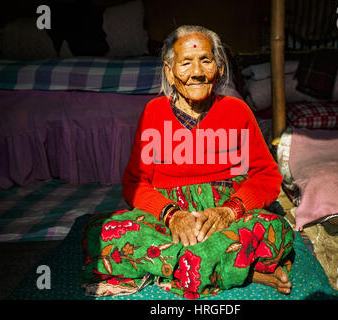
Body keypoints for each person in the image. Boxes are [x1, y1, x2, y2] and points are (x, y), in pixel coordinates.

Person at [81, 25, 294, 299]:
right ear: (169, 71)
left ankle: (185, 265)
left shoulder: (237, 110)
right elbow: (135, 183)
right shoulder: (153, 113)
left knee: (276, 229)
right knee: (103, 233)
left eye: (205, 61)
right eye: (185, 63)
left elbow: (266, 176)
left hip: (226, 214)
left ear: (218, 67)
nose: (196, 72)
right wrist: (173, 216)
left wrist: (229, 212)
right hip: (168, 216)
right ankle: (238, 268)